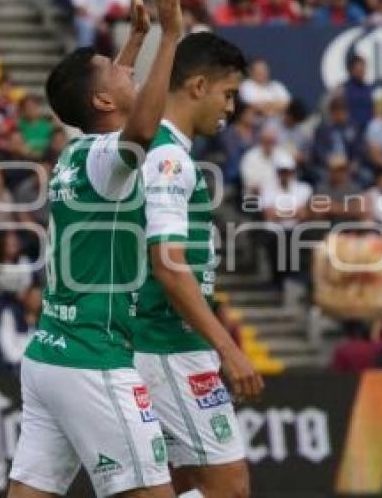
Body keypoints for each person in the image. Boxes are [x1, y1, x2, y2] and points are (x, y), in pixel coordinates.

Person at [7, 0, 181, 498]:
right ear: (104, 104)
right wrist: (169, 36)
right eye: (118, 71)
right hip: (95, 360)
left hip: (48, 359)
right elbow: (142, 128)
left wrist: (133, 38)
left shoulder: (76, 152)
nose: (128, 73)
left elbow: (106, 100)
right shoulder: (109, 157)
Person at [133, 31, 264, 498]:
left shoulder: (157, 146)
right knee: (229, 488)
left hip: (165, 342)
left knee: (179, 484)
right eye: (228, 94)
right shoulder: (168, 156)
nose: (230, 108)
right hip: (170, 344)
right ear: (197, 86)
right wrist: (229, 349)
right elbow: (168, 266)